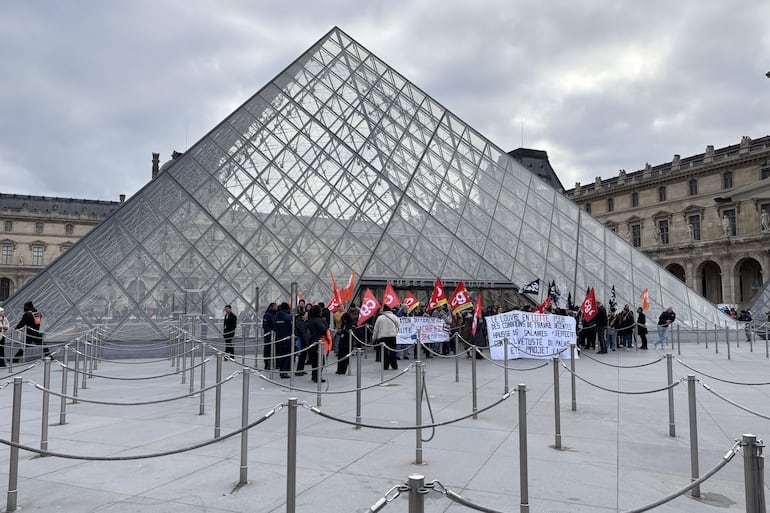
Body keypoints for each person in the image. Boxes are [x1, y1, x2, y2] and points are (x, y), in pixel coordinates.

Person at [305, 305, 329, 383]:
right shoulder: (319, 320)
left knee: (314, 361)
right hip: (320, 342)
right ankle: (318, 376)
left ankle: (314, 376)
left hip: (312, 341)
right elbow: (324, 329)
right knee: (321, 361)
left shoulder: (310, 320)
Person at [373, 305, 400, 370]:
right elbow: (398, 324)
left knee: (384, 352)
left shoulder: (380, 318)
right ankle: (394, 365)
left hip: (383, 336)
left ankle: (385, 366)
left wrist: (374, 337)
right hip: (392, 336)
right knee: (393, 351)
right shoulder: (394, 316)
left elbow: (376, 329)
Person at [273, 302, 293, 378]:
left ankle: (282, 370)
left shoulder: (276, 316)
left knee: (282, 354)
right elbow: (291, 328)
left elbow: (275, 326)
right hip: (287, 338)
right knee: (288, 355)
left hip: (279, 338)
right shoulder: (288, 316)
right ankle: (284, 371)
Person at [261, 302, 277, 369]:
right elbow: (265, 325)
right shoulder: (267, 315)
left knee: (273, 349)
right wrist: (270, 332)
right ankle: (267, 364)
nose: (276, 308)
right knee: (267, 349)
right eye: (275, 307)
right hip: (269, 336)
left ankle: (273, 363)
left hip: (274, 335)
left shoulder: (275, 314)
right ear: (271, 307)